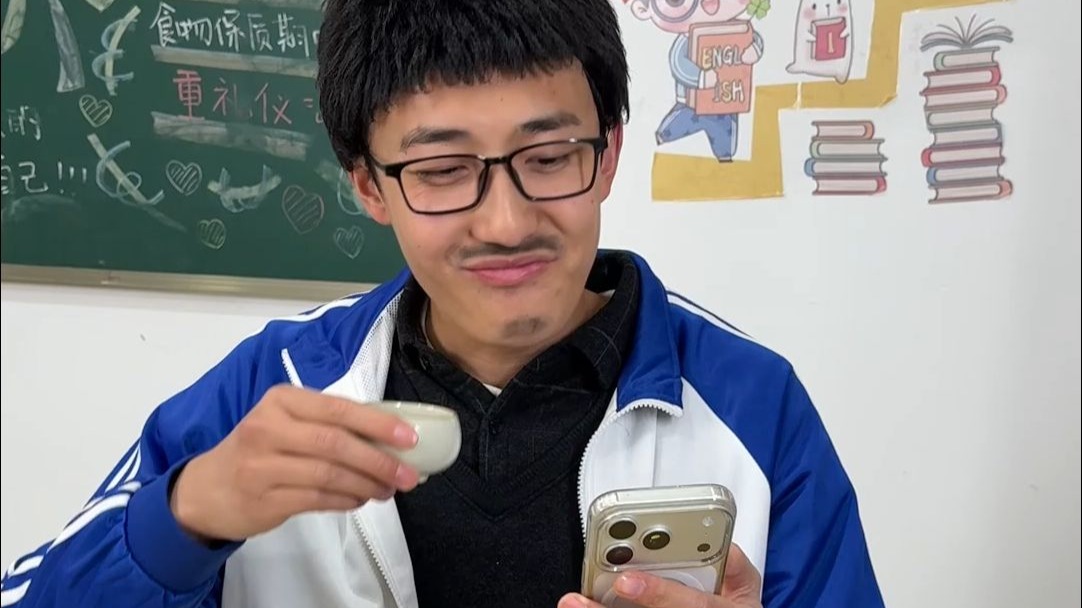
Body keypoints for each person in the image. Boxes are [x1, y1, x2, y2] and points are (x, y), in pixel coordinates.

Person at [0, 1, 885, 607]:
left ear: (609, 153)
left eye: (550, 157)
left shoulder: (751, 403)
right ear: (368, 186)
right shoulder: (270, 388)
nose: (506, 223)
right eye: (441, 170)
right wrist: (187, 515)